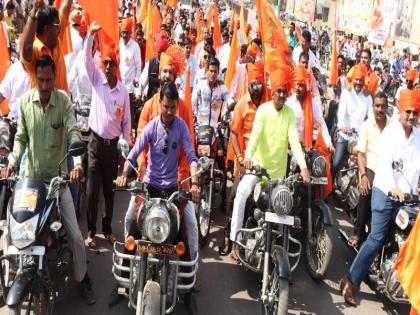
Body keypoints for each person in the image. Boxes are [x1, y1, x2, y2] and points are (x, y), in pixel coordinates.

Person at [2, 55, 95, 305]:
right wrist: (12, 160)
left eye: (48, 80)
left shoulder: (63, 100)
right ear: (35, 78)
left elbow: (73, 131)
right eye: (40, 80)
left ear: (55, 78)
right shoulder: (24, 103)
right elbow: (20, 137)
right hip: (30, 182)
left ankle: (82, 277)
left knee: (75, 236)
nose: (44, 86)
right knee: (12, 231)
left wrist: (76, 163)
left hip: (56, 183)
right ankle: (12, 276)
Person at [115, 82, 199, 315]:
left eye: (173, 107)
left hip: (172, 190)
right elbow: (134, 152)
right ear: (160, 103)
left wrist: (195, 183)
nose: (169, 112)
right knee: (130, 219)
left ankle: (189, 289)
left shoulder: (181, 126)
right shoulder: (152, 126)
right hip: (150, 188)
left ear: (176, 105)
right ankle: (122, 279)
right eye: (166, 107)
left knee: (188, 228)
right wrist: (124, 175)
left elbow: (191, 155)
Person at [340, 88, 420, 306]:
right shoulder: (391, 133)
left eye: (415, 113)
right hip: (385, 191)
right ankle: (350, 281)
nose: (411, 117)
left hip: (409, 197)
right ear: (401, 111)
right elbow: (384, 165)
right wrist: (393, 187)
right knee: (376, 238)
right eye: (408, 112)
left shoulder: (418, 137)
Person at [229, 63, 310, 260]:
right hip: (257, 170)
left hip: (277, 177)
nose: (282, 95)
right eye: (279, 91)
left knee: (285, 209)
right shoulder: (263, 111)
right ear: (272, 91)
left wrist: (304, 167)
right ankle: (235, 244)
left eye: (285, 92)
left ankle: (281, 252)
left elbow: (294, 141)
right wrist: (247, 157)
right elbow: (255, 137)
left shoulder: (289, 114)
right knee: (240, 193)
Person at [84, 22, 131, 248]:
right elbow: (86, 60)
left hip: (112, 148)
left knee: (109, 192)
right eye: (105, 63)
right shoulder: (97, 81)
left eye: (111, 63)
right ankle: (91, 232)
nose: (108, 67)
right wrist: (91, 35)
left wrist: (125, 148)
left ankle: (107, 229)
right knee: (92, 191)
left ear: (117, 65)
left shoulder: (123, 92)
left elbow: (127, 124)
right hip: (94, 145)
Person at [220, 61, 268, 255]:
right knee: (234, 196)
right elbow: (233, 132)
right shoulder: (242, 104)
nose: (255, 89)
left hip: (265, 160)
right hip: (246, 160)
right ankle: (229, 239)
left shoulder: (269, 103)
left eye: (258, 85)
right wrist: (240, 157)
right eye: (252, 85)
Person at [347, 92, 391, 248]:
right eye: (377, 106)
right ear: (373, 107)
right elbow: (360, 154)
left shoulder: (393, 126)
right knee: (366, 189)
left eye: (383, 106)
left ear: (387, 108)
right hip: (371, 169)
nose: (380, 109)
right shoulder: (366, 126)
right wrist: (363, 175)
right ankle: (358, 232)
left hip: (388, 172)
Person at [21, 0, 73, 93]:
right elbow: (26, 48)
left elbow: (66, 6)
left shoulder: (57, 40)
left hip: (63, 106)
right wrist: (33, 14)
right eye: (57, 25)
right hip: (42, 107)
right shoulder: (35, 50)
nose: (60, 28)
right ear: (47, 29)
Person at [332, 64, 372, 177]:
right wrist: (341, 126)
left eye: (361, 80)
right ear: (353, 80)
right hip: (345, 134)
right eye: (357, 79)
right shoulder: (346, 93)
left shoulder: (367, 97)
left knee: (367, 165)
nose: (359, 82)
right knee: (336, 163)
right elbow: (341, 112)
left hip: (360, 137)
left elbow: (371, 117)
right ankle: (328, 189)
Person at [287, 64, 333, 151]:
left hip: (307, 147)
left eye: (301, 85)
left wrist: (329, 144)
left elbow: (321, 123)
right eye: (296, 84)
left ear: (306, 87)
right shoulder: (289, 103)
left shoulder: (312, 104)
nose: (297, 88)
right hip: (291, 148)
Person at [119, 17, 142, 130]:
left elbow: (138, 68)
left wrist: (136, 83)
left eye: (127, 33)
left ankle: (129, 137)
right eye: (123, 32)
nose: (125, 35)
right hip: (118, 85)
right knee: (118, 113)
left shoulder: (135, 47)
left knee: (128, 115)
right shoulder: (118, 45)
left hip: (129, 88)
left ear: (130, 33)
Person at [137, 37, 169, 101]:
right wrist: (138, 94)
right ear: (156, 51)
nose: (161, 54)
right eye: (159, 52)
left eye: (163, 52)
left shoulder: (170, 66)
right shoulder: (150, 63)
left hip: (166, 102)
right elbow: (141, 83)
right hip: (151, 101)